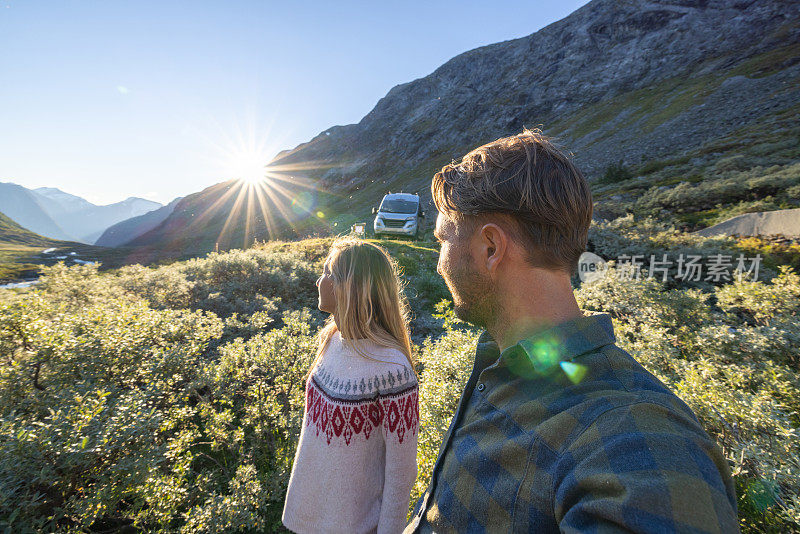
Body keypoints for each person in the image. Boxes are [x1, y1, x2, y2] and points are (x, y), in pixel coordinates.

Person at [404, 129, 739, 533]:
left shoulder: (636, 434)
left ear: (490, 247)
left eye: (443, 239)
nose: (440, 262)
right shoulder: (502, 365)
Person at [283, 237, 419, 534]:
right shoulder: (331, 340)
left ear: (350, 287)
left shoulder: (393, 371)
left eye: (329, 273)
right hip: (308, 518)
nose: (321, 281)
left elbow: (401, 473)